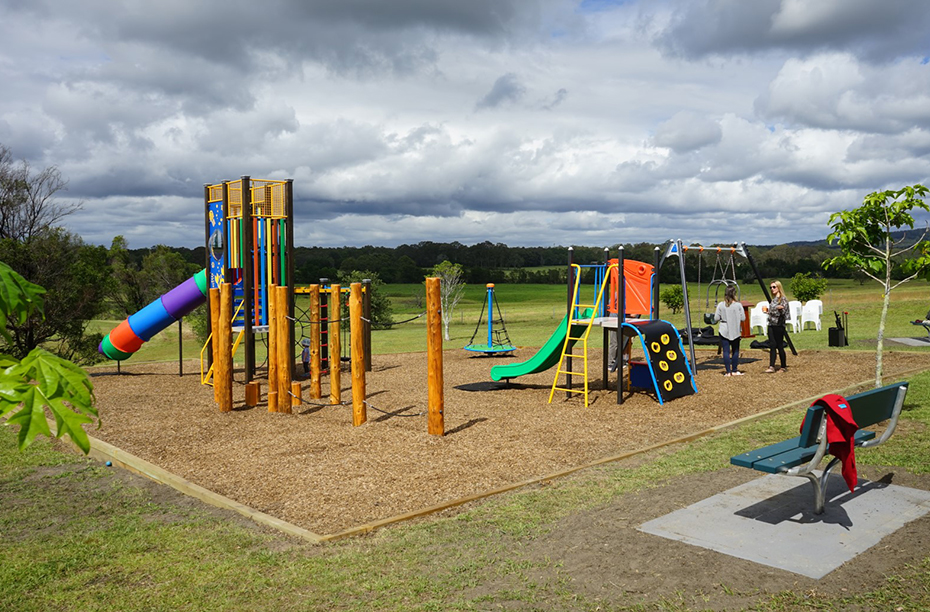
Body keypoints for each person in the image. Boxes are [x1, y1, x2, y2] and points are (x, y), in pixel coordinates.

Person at [713, 285, 745, 376]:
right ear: (734, 294)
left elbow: (716, 318)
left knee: (726, 351)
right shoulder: (738, 305)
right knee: (735, 350)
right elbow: (743, 318)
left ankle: (728, 371)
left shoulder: (721, 305)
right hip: (735, 329)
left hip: (724, 329)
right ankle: (734, 370)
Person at [763, 280, 789, 373]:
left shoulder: (783, 299)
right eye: (771, 287)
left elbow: (785, 312)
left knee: (780, 346)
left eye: (774, 287)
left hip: (779, 325)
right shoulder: (773, 300)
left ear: (778, 288)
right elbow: (773, 310)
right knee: (772, 345)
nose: (772, 289)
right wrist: (768, 311)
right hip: (771, 324)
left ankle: (783, 366)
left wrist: (780, 309)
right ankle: (771, 366)